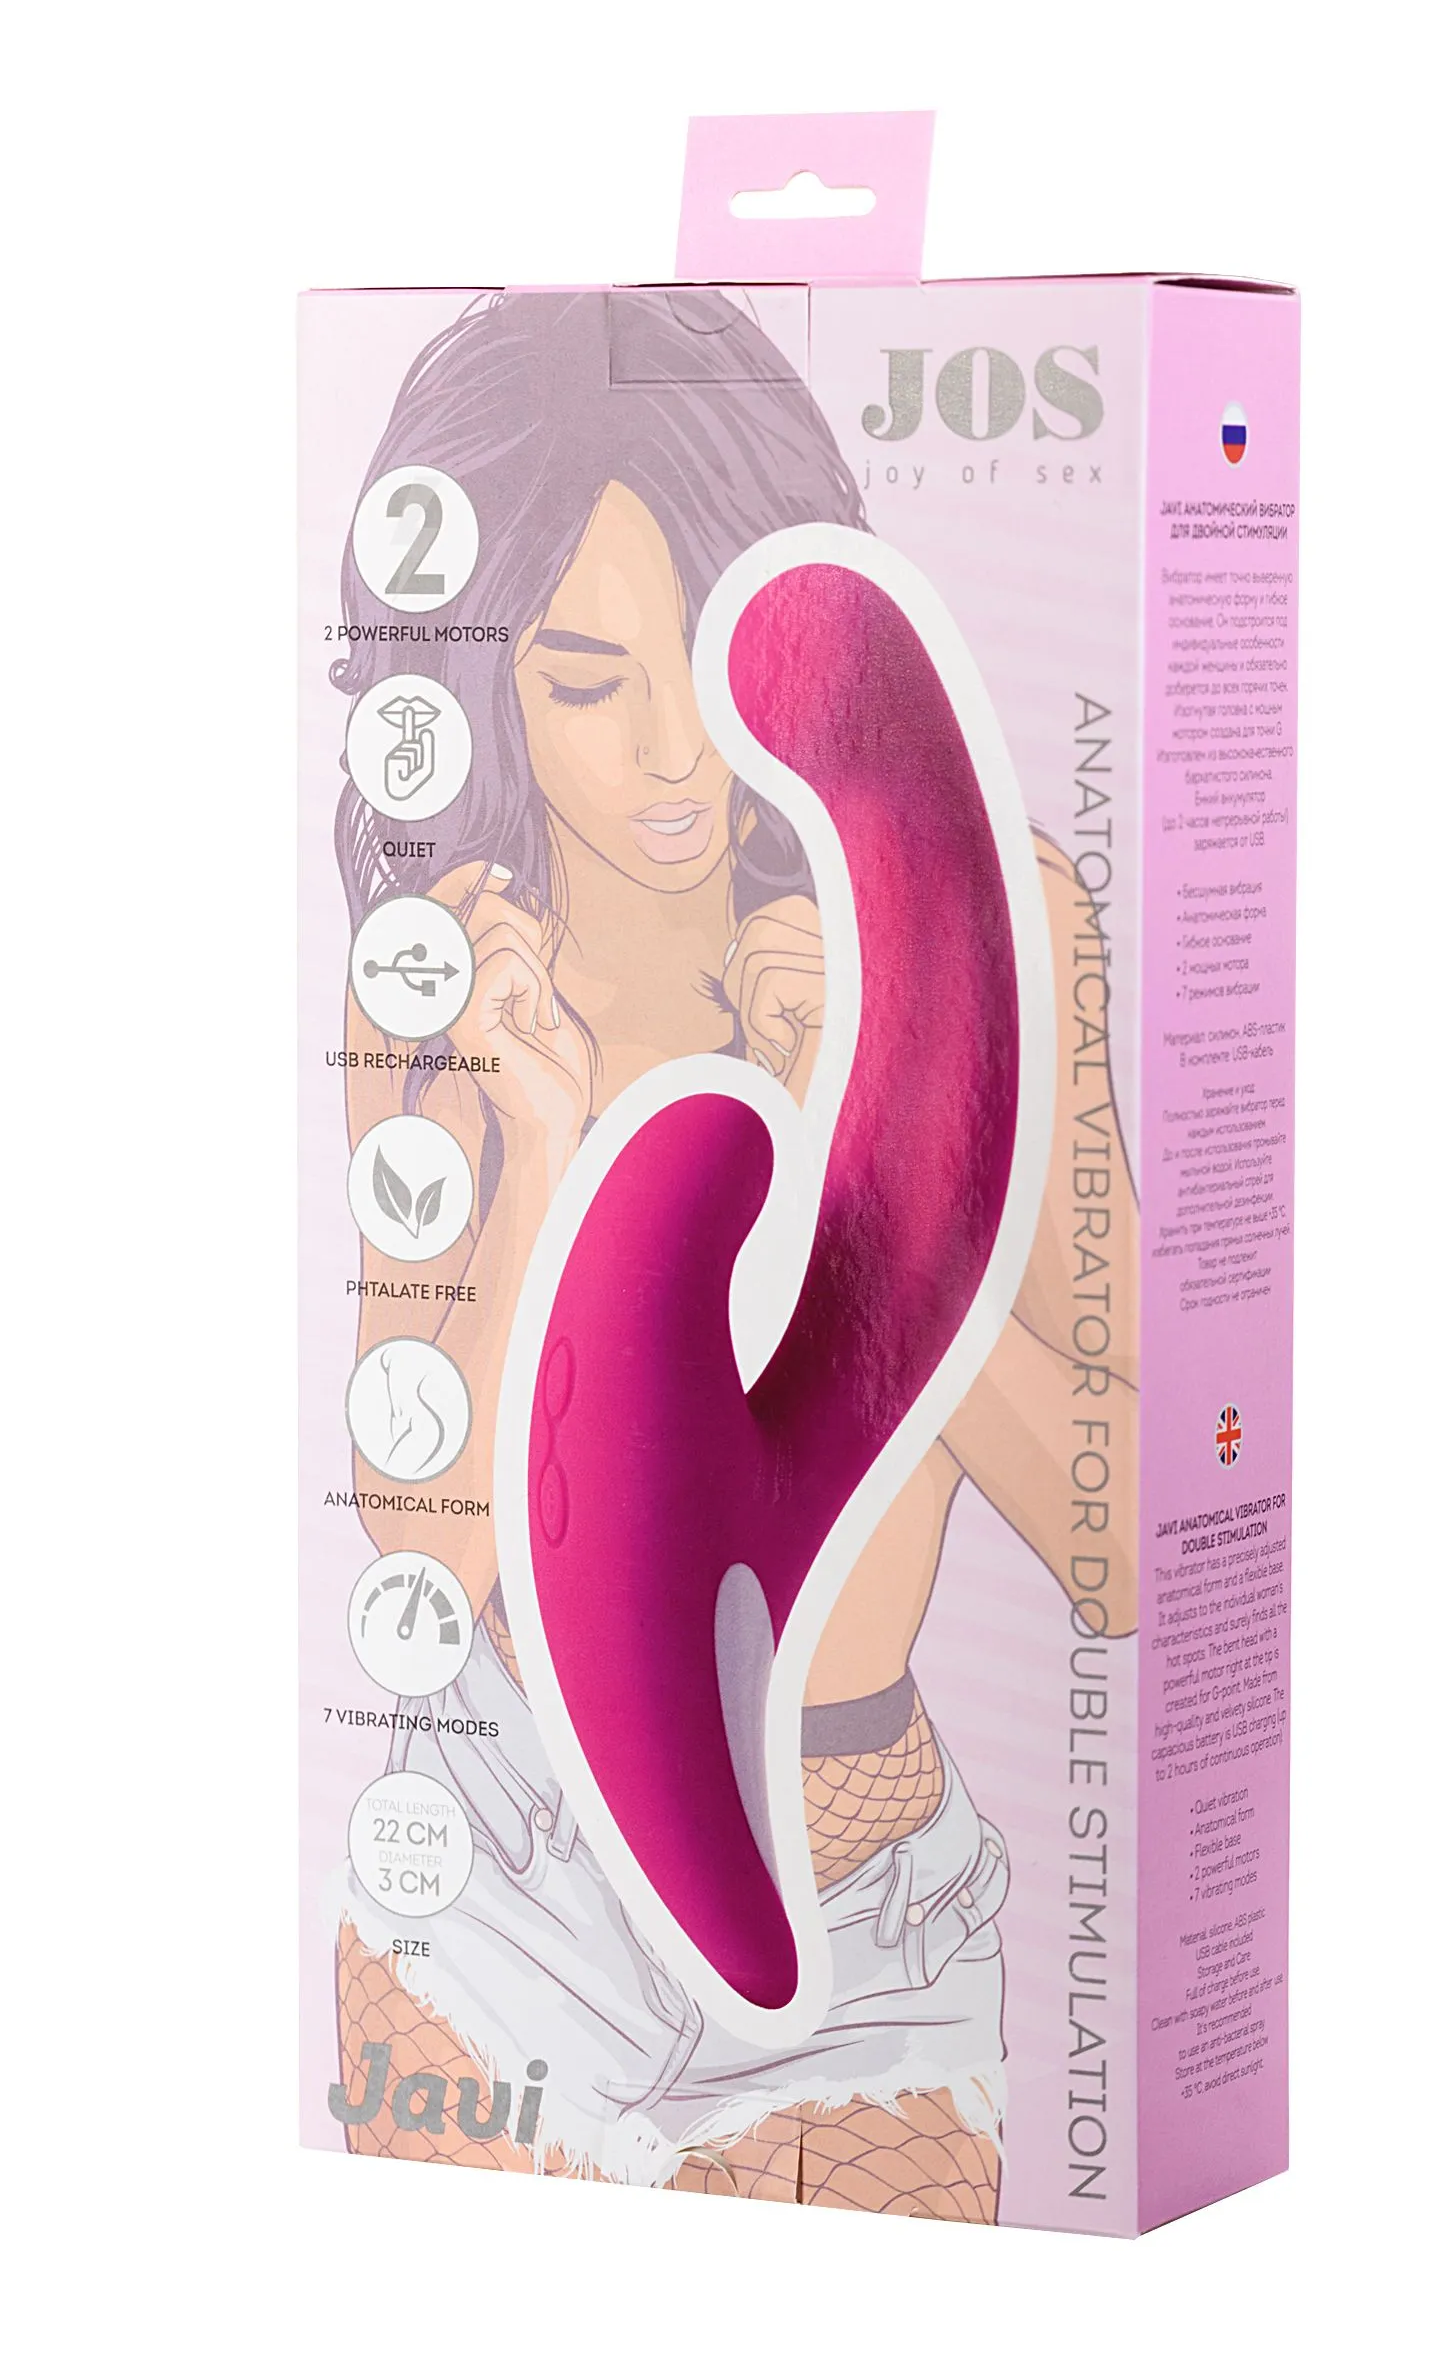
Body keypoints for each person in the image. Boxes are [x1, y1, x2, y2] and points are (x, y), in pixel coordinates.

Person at [330, 289, 1137, 2218]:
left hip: (869, 1915)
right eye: (584, 684)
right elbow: (423, 1534)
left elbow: (1127, 1548)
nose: (671, 756)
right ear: (488, 683)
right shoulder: (454, 969)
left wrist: (886, 1146)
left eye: (708, 660)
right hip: (501, 1862)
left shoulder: (991, 923)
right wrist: (540, 1137)